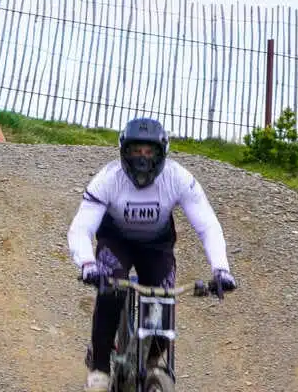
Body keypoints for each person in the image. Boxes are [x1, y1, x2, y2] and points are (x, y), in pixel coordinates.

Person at [67, 117, 237, 391]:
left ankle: (154, 361)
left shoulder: (179, 178)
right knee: (110, 289)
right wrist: (87, 263)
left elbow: (207, 224)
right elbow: (81, 226)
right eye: (136, 151)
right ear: (124, 151)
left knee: (162, 299)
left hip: (156, 246)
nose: (142, 159)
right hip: (116, 241)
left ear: (161, 154)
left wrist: (221, 268)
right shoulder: (108, 179)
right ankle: (99, 368)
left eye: (149, 152)